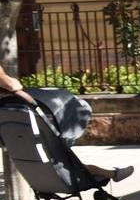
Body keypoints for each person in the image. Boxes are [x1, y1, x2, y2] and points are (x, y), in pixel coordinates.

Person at [0, 66, 132, 183]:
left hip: (37, 172)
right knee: (66, 161)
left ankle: (112, 173)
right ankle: (112, 174)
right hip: (61, 175)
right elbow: (11, 85)